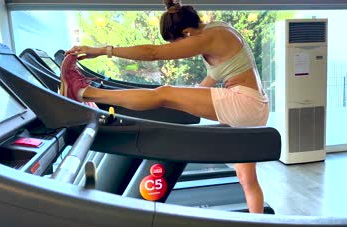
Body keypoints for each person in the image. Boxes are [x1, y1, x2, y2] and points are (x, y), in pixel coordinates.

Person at [62, 0, 270, 214]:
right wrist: (189, 99)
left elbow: (153, 53)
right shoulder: (218, 30)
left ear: (187, 33)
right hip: (255, 105)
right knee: (246, 178)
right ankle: (258, 226)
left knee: (164, 93)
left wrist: (103, 50)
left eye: (176, 42)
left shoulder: (208, 38)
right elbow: (214, 76)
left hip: (245, 103)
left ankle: (83, 92)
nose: (176, 47)